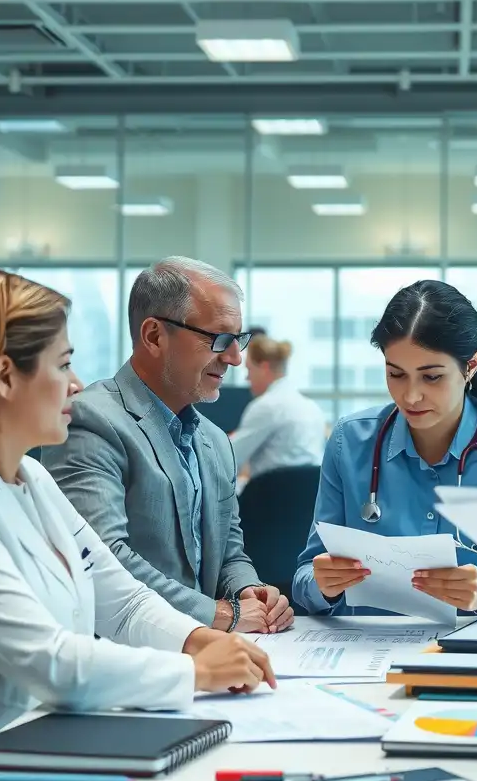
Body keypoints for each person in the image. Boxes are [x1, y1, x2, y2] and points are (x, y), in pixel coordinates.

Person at [0, 269, 275, 781]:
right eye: (63, 364)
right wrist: (193, 670)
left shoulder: (32, 478)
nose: (76, 384)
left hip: (26, 758)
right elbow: (47, 660)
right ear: (4, 376)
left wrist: (198, 637)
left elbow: (123, 603)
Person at [42, 257, 293, 636]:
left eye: (238, 340)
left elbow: (229, 553)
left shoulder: (213, 441)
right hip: (125, 656)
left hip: (206, 656)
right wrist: (219, 614)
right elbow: (103, 559)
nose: (235, 358)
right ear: (155, 336)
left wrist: (249, 592)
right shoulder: (91, 421)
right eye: (219, 340)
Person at [292, 279, 477, 617]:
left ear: (471, 365)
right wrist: (322, 585)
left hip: (472, 653)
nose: (410, 396)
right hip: (367, 657)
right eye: (395, 374)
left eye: (431, 377)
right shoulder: (349, 440)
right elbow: (304, 578)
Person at [230, 333, 326, 481]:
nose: (247, 378)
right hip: (307, 500)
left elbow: (229, 460)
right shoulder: (312, 407)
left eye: (249, 370)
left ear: (264, 367)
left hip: (268, 499)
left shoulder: (265, 406)